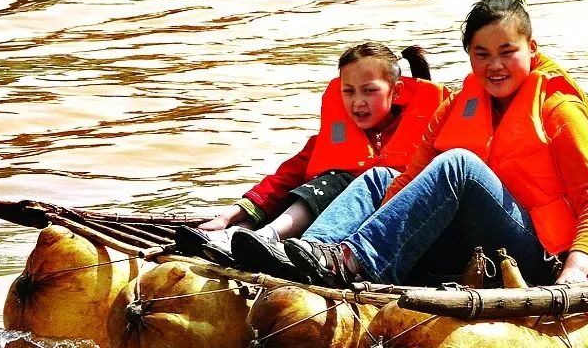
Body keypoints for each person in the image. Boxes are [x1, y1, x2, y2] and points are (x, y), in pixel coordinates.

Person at [281, 0, 588, 288]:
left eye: (507, 51)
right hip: (471, 245)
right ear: (469, 55)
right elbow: (409, 180)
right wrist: (373, 226)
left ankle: (354, 261)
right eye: (482, 54)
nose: (495, 65)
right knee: (381, 178)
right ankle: (310, 251)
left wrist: (575, 270)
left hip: (536, 256)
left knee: (458, 164)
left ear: (531, 48)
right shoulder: (456, 108)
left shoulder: (560, 110)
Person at [174, 43, 448, 277]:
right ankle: (234, 236)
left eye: (369, 91)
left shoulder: (430, 131)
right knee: (299, 185)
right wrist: (229, 214)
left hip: (379, 231)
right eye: (349, 91)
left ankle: (272, 238)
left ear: (396, 92)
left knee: (338, 181)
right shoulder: (334, 138)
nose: (358, 102)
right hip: (319, 221)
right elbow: (285, 176)